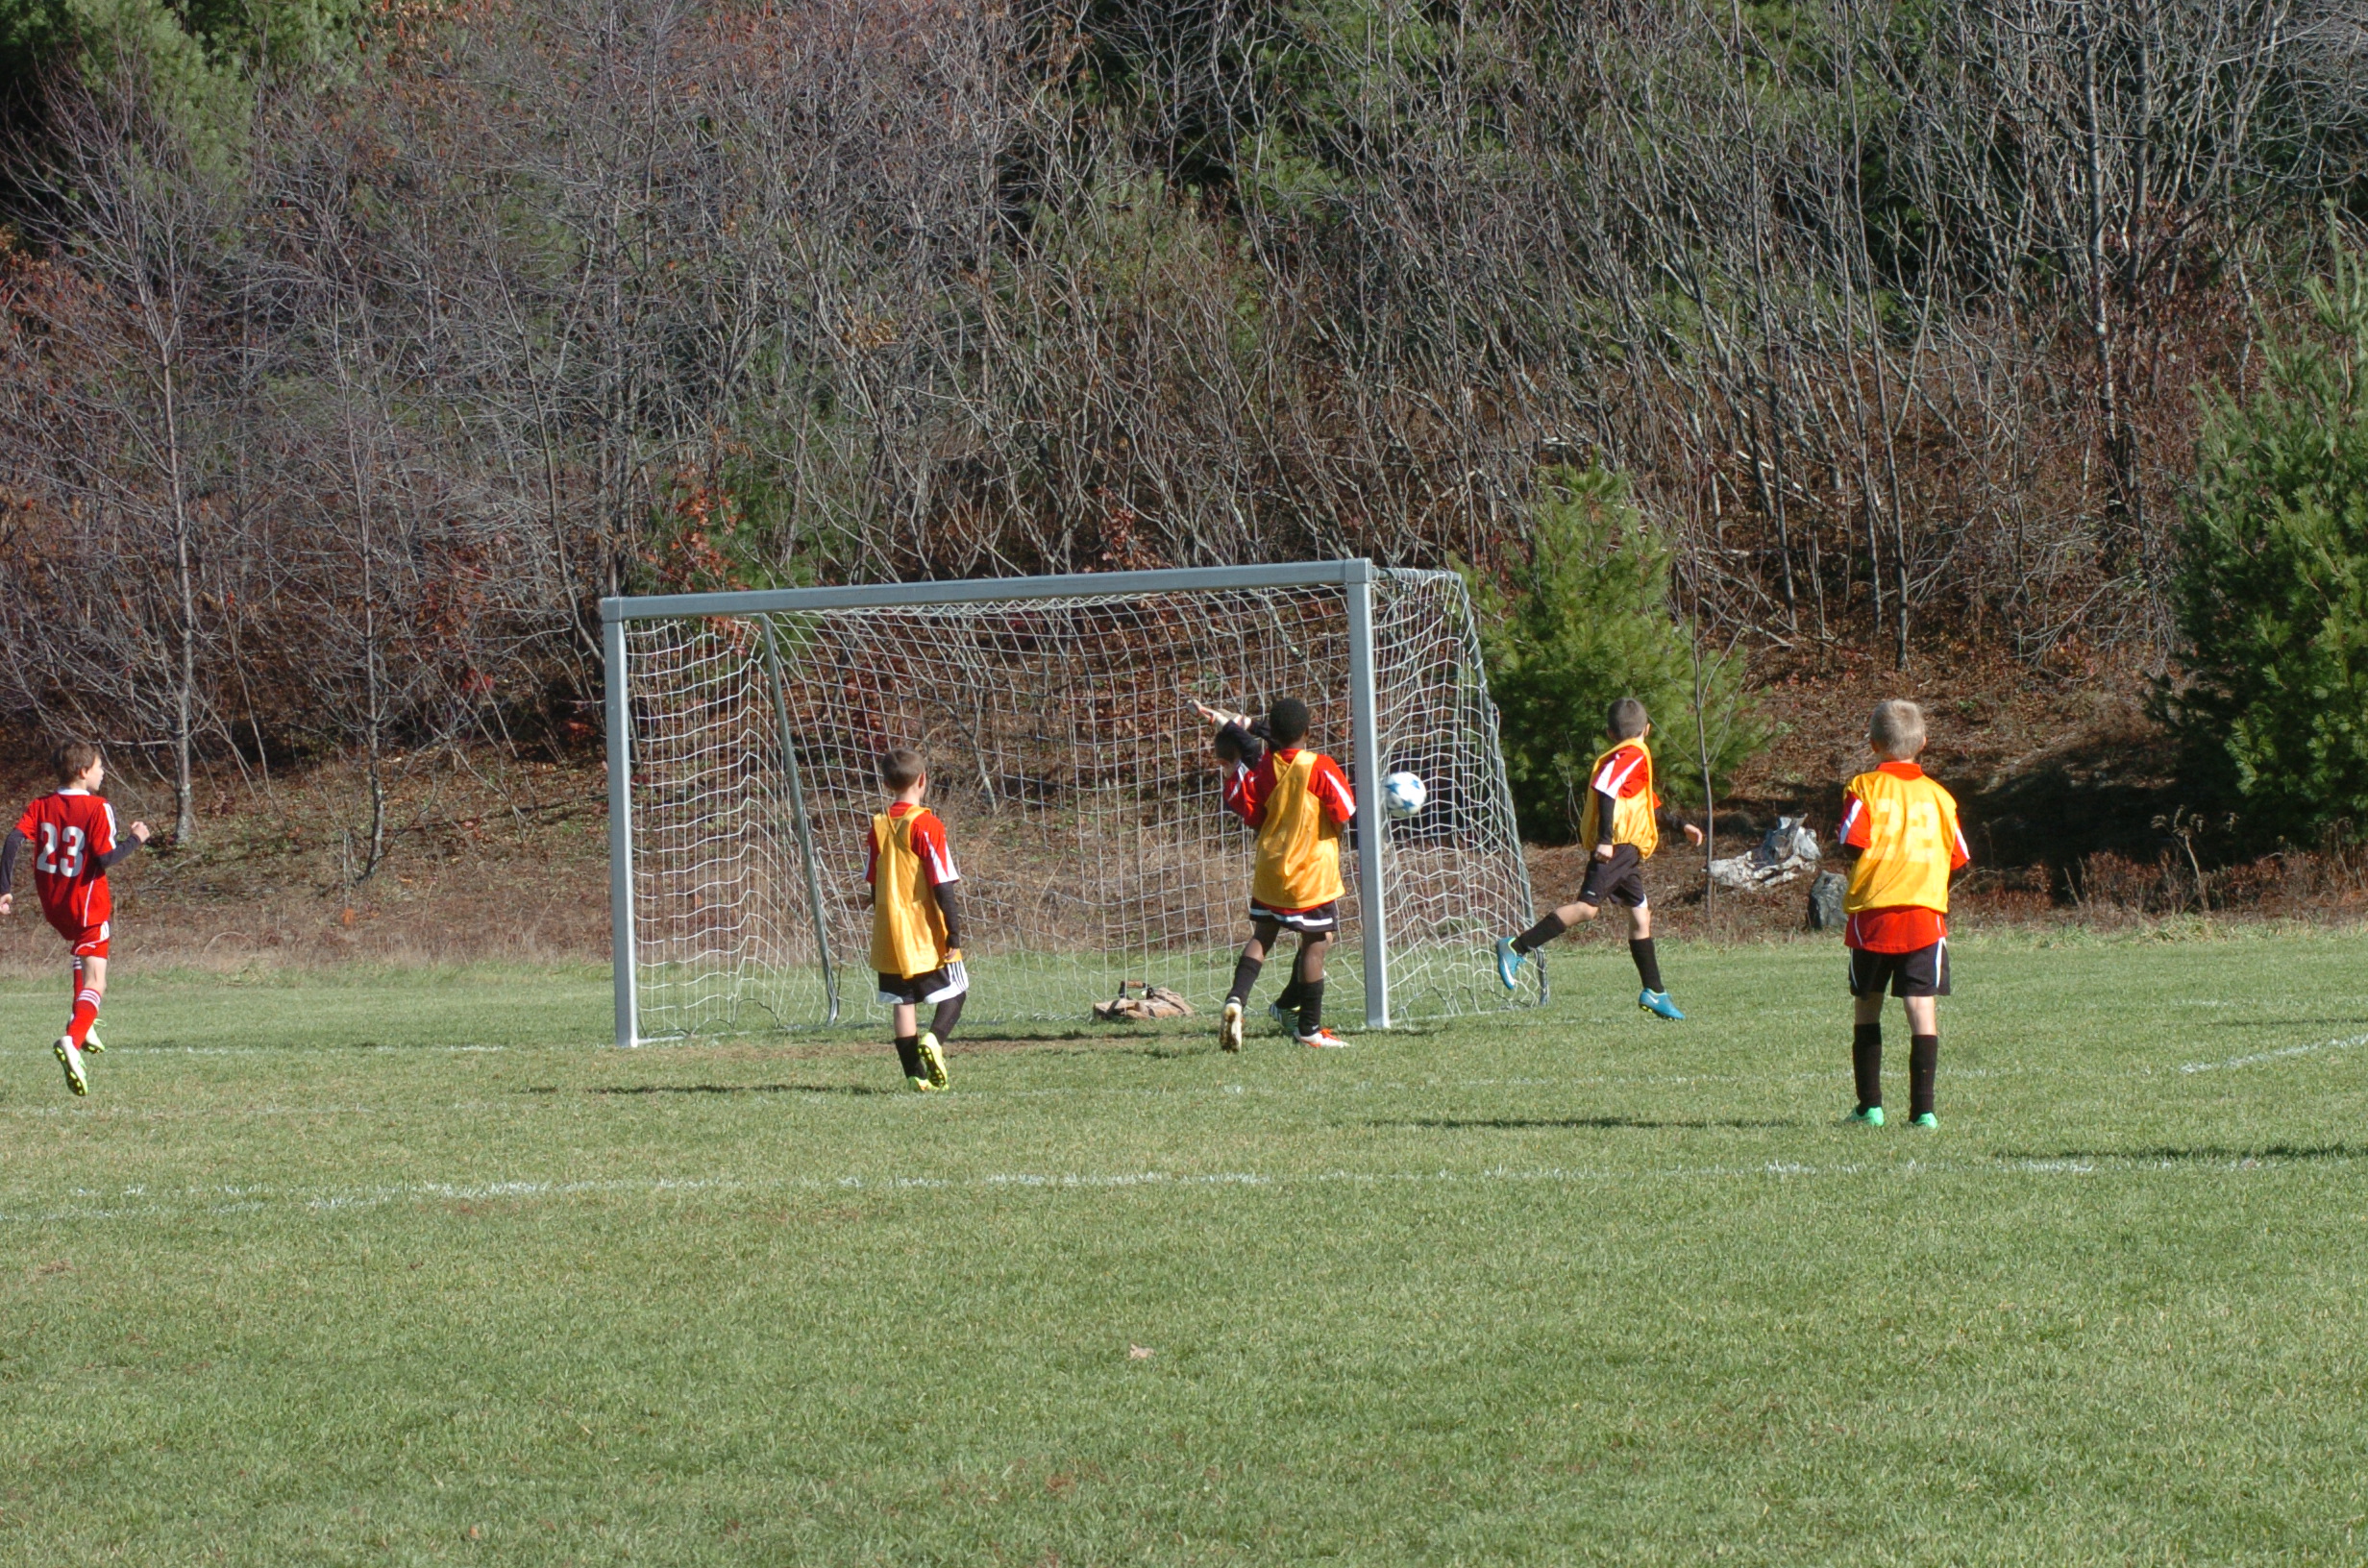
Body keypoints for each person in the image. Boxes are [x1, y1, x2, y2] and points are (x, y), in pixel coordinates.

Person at [1493, 698, 1704, 1019]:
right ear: (1647, 729)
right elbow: (1606, 788)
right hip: (1617, 847)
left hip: (1628, 852)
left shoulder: (1630, 758)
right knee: (1586, 909)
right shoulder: (1633, 754)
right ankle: (1516, 947)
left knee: (1641, 917)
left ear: (1609, 733)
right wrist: (1605, 840)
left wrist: (1680, 824)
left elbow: (1646, 804)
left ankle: (1655, 991)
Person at [1837, 699, 1970, 1129]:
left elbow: (1850, 840)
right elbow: (1959, 856)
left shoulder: (1864, 786)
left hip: (1873, 913)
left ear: (1873, 744)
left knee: (1867, 1005)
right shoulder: (1941, 797)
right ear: (1924, 743)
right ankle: (1923, 1112)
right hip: (1924, 913)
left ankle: (1870, 1107)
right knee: (1921, 1007)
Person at [1196, 696, 1357, 1050]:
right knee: (1317, 944)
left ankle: (1236, 1000)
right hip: (1310, 876)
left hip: (1270, 872)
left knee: (1263, 936)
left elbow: (1254, 814)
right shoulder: (1321, 767)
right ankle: (1309, 1030)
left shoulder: (1264, 769)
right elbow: (1345, 810)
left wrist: (1238, 725)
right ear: (1308, 731)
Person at [0, 742, 152, 1097]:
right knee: (97, 982)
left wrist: (3, 888)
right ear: (83, 772)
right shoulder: (98, 807)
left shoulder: (41, 805)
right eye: (99, 767)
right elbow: (105, 858)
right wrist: (136, 839)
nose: (103, 772)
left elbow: (13, 840)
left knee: (80, 957)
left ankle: (83, 1023)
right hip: (88, 906)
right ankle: (72, 1037)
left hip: (55, 906)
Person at [864, 747, 966, 1092]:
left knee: (902, 1001)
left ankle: (915, 1075)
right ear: (923, 780)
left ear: (886, 783)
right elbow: (942, 883)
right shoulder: (926, 824)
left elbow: (873, 882)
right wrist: (954, 932)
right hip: (923, 930)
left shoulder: (878, 825)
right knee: (957, 990)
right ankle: (934, 1041)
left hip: (888, 931)